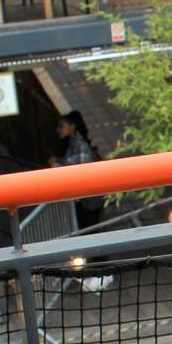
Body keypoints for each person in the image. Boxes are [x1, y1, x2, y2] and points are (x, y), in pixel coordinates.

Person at [52, 110, 112, 290]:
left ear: (72, 126)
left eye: (62, 126)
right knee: (90, 232)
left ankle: (102, 271)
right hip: (84, 199)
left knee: (91, 232)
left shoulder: (80, 144)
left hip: (89, 199)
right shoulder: (72, 143)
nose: (58, 130)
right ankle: (98, 271)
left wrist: (60, 165)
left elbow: (81, 167)